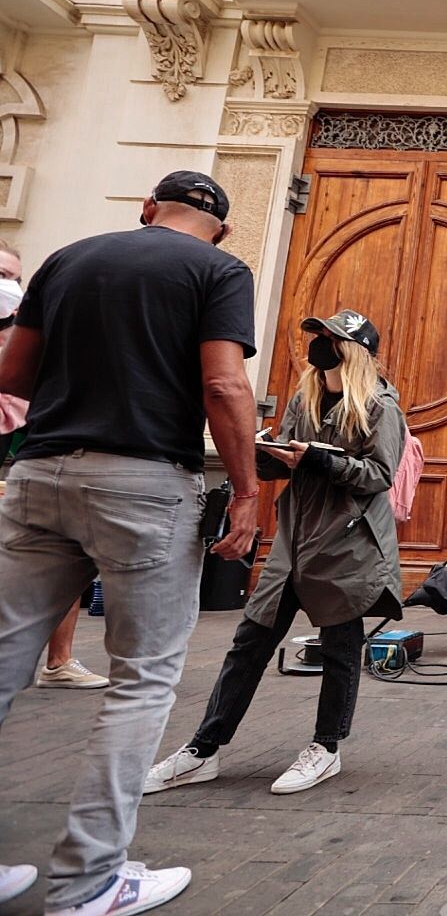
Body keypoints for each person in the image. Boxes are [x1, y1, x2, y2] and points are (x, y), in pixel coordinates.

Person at [0, 171, 259, 915]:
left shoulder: (71, 258)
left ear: (147, 210)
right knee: (140, 680)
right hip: (144, 482)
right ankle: (88, 883)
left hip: (40, 472)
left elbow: (12, 372)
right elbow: (224, 387)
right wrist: (243, 492)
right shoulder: (219, 269)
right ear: (222, 229)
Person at [147, 309, 405, 800]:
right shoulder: (304, 396)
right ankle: (204, 748)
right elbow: (281, 465)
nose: (317, 344)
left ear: (350, 350)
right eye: (317, 335)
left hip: (347, 541)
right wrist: (267, 455)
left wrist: (321, 458)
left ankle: (326, 748)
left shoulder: (379, 405)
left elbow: (379, 475)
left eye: (328, 338)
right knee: (250, 641)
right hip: (292, 541)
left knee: (340, 646)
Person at [0, 242, 106, 692]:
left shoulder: (25, 317)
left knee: (63, 549)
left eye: (15, 276)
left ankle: (58, 660)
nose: (10, 284)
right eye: (3, 274)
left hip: (28, 438)